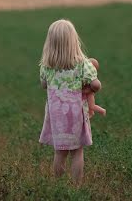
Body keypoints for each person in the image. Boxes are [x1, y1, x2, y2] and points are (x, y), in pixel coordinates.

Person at [39, 19, 103, 183]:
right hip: (75, 113)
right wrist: (87, 90)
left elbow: (44, 85)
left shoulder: (46, 66)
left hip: (56, 114)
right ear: (74, 41)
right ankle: (76, 187)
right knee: (77, 151)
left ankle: (58, 185)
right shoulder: (83, 64)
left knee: (59, 152)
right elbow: (96, 84)